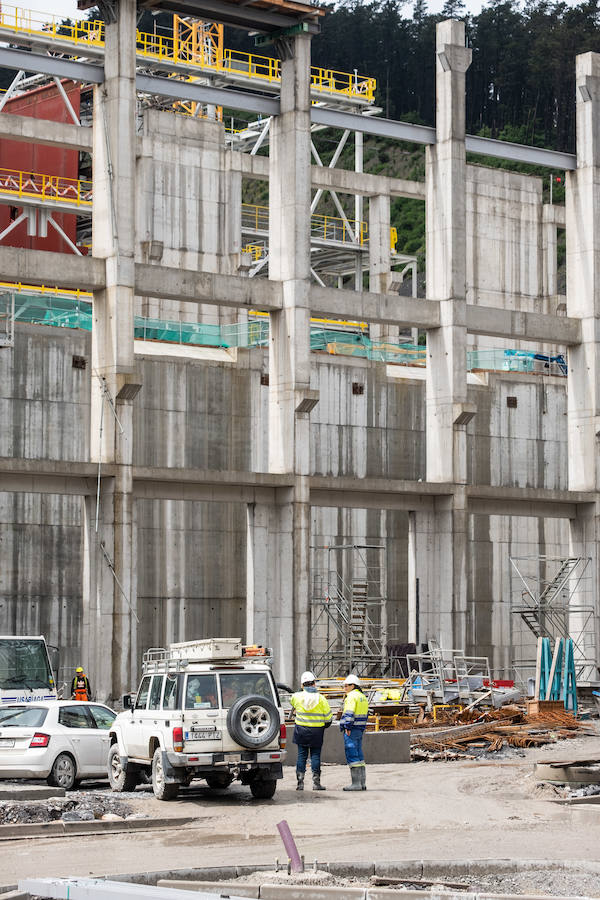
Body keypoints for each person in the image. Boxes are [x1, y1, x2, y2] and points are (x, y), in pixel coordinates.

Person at [290, 671, 332, 792]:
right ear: (314, 683)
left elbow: (292, 701)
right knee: (315, 755)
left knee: (301, 756)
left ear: (302, 685)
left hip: (301, 730)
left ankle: (300, 783)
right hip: (317, 731)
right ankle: (316, 783)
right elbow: (328, 718)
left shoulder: (297, 697)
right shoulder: (321, 698)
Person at [339, 673, 369, 791]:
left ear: (353, 686)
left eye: (347, 686)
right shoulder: (362, 697)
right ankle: (362, 783)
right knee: (359, 754)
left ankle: (356, 784)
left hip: (351, 729)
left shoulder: (351, 696)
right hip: (360, 728)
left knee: (352, 753)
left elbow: (349, 713)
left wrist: (347, 726)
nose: (345, 688)